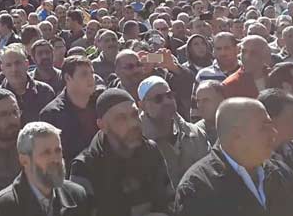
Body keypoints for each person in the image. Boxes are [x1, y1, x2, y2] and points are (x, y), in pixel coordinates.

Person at [174, 97, 293, 216]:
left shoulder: (281, 172)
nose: (274, 133)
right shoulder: (198, 186)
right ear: (236, 135)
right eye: (264, 126)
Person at [70, 88, 174, 216]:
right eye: (121, 118)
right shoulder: (85, 166)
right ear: (102, 126)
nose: (133, 123)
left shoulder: (151, 151)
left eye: (134, 114)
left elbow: (169, 202)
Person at [0, 121, 91, 216]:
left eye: (57, 151)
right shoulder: (2, 209)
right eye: (46, 153)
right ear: (24, 160)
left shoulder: (76, 196)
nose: (55, 159)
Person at [139, 75, 209, 185]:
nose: (166, 102)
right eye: (158, 99)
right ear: (142, 105)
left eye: (169, 95)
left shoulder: (196, 133)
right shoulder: (139, 142)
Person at [39, 55, 98, 165]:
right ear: (68, 78)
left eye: (92, 73)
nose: (91, 78)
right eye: (84, 74)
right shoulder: (52, 114)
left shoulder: (99, 105)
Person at [0, 44, 56, 124]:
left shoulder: (45, 92)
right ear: (2, 68)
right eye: (8, 65)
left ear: (27, 64)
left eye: (18, 63)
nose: (14, 69)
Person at [194, 80, 224, 144]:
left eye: (206, 100)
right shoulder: (195, 132)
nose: (200, 105)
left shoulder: (236, 128)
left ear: (221, 100)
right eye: (198, 101)